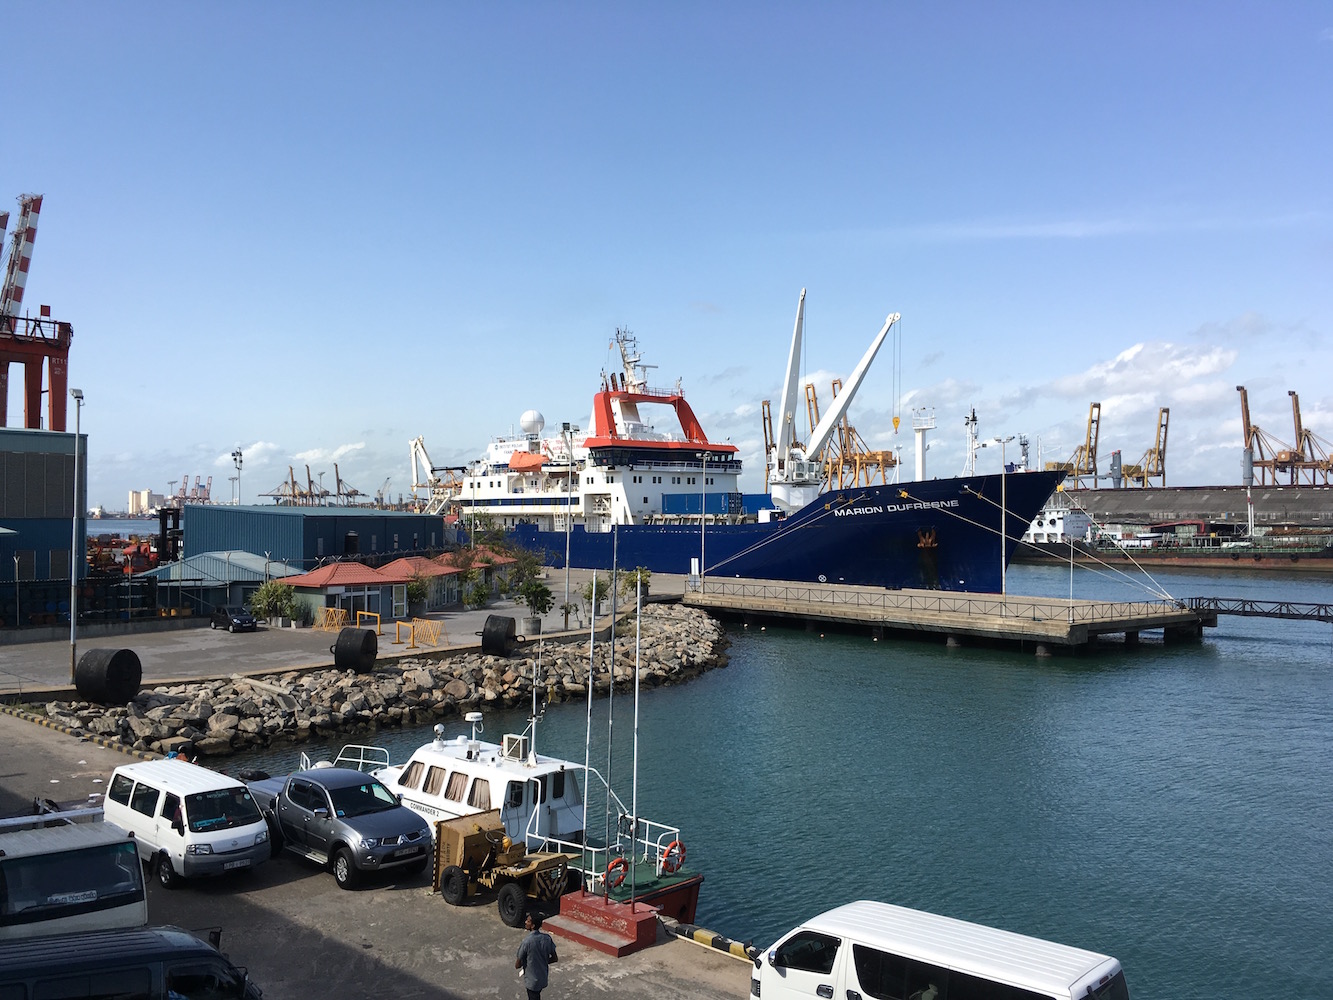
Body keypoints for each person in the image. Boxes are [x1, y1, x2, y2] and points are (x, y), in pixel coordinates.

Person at [514, 911, 558, 1000]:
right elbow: (554, 958)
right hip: (542, 978)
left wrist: (529, 963)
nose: (525, 922)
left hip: (532, 980)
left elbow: (517, 965)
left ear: (533, 925)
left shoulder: (527, 942)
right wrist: (542, 961)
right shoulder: (547, 938)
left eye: (528, 921)